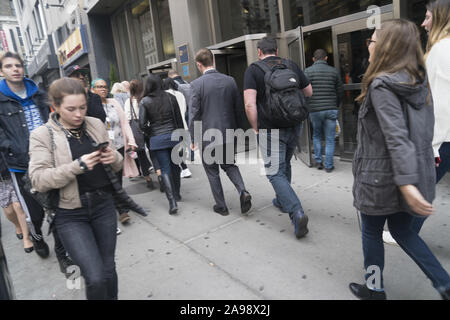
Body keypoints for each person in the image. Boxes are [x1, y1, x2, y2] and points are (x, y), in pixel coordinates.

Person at [349, 19, 450, 300]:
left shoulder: (382, 85)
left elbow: (396, 137)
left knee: (370, 231)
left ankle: (374, 290)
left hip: (381, 176)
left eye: (371, 40)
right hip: (414, 170)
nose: (368, 45)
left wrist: (406, 184)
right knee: (403, 231)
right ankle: (444, 283)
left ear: (384, 46)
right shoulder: (419, 83)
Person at [28, 77, 123, 300]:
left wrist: (114, 157)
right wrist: (77, 167)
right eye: (71, 109)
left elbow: (117, 162)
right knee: (95, 276)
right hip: (70, 214)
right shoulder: (42, 135)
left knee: (108, 270)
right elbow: (38, 179)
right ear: (56, 106)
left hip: (103, 206)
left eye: (82, 107)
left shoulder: (95, 125)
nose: (79, 114)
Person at [244, 37, 313, 238]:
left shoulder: (254, 70)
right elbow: (309, 92)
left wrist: (255, 127)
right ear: (276, 49)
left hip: (270, 128)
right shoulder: (290, 64)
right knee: (285, 164)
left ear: (259, 52)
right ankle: (283, 201)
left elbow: (250, 104)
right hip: (294, 125)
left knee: (274, 172)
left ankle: (296, 211)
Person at [0, 52, 62, 262]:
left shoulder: (39, 94)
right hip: (20, 164)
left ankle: (63, 250)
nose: (15, 69)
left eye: (18, 65)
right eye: (9, 66)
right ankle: (36, 237)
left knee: (59, 207)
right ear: (2, 71)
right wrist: (14, 147)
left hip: (50, 159)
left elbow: (53, 118)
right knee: (34, 213)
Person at [190, 48, 252, 217]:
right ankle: (242, 191)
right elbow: (238, 108)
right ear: (213, 61)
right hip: (227, 133)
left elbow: (194, 113)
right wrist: (241, 130)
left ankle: (221, 206)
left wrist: (193, 137)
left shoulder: (196, 85)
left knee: (212, 171)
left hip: (207, 136)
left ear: (198, 65)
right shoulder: (230, 81)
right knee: (230, 165)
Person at [410, 0, 450, 235]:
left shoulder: (439, 50)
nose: (423, 24)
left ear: (441, 18)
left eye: (427, 17)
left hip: (443, 139)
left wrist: (431, 144)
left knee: (422, 190)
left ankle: (404, 233)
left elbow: (436, 102)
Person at [91, 79, 138, 226]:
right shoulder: (90, 105)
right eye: (99, 87)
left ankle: (121, 208)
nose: (103, 89)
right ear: (93, 89)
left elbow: (124, 123)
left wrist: (131, 141)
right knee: (107, 180)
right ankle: (117, 208)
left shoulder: (114, 103)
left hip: (118, 147)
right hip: (101, 150)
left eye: (105, 87)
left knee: (117, 179)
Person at [139, 74, 184, 215]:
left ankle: (172, 202)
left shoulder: (145, 101)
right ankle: (177, 194)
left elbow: (141, 124)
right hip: (173, 136)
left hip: (157, 139)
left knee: (165, 169)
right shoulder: (171, 98)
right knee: (175, 166)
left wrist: (150, 131)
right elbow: (179, 120)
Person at [305, 49, 344, 173]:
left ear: (313, 59)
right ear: (326, 58)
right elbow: (340, 91)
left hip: (315, 110)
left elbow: (304, 91)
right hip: (331, 109)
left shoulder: (307, 72)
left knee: (316, 135)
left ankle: (318, 161)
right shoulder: (334, 71)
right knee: (330, 138)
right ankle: (328, 165)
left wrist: (309, 105)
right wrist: (335, 105)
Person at [124, 79, 155, 189]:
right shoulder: (146, 99)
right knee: (153, 151)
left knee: (141, 154)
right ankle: (159, 173)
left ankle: (147, 178)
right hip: (148, 127)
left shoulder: (129, 101)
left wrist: (128, 135)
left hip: (136, 128)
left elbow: (127, 118)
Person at [0, 155, 33, 252]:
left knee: (18, 206)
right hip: (1, 183)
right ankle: (17, 225)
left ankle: (26, 238)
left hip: (12, 174)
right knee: (9, 211)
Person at [163, 78, 192, 179]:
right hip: (182, 123)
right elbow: (184, 109)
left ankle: (183, 168)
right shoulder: (180, 95)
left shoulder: (165, 96)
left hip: (171, 125)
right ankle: (184, 168)